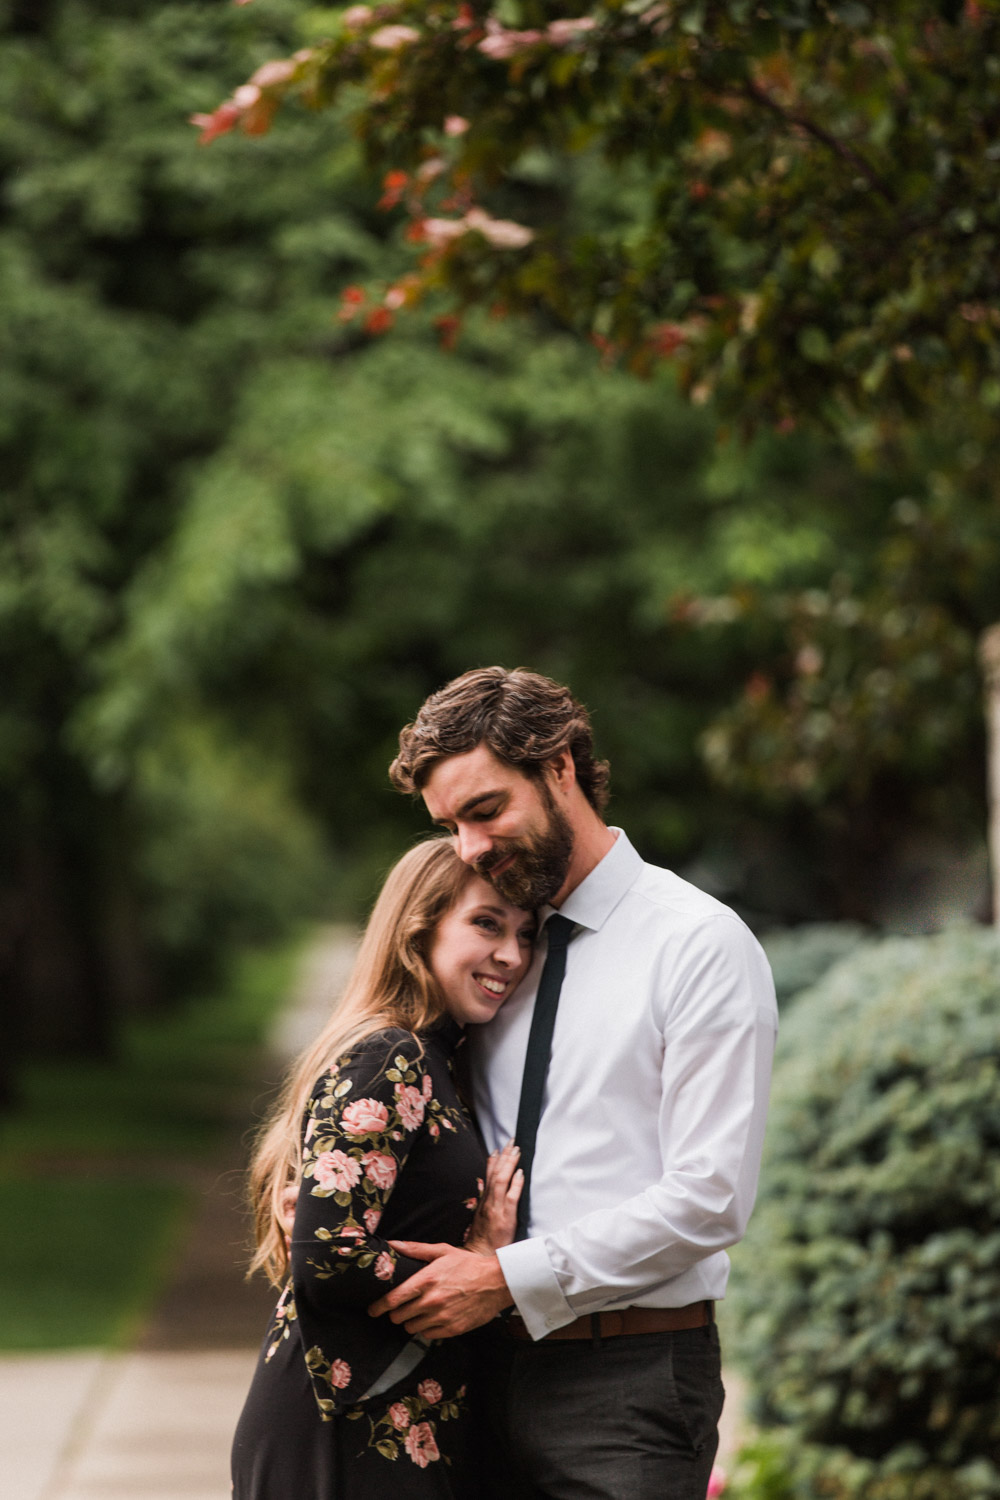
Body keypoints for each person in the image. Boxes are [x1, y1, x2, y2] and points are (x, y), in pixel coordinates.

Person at [369, 667, 779, 1500]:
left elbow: (710, 1197)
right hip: (467, 1377)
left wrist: (506, 1279)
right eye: (451, 826)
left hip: (626, 1380)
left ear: (560, 766)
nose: (471, 847)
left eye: (486, 810)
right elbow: (395, 1077)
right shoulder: (485, 949)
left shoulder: (697, 945)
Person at [231, 836, 534, 1499]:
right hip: (344, 1420)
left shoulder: (438, 1059)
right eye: (487, 923)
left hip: (389, 1413)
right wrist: (479, 1266)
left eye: (524, 933)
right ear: (418, 928)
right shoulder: (391, 1055)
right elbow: (327, 1251)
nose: (511, 954)